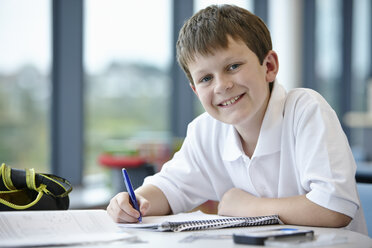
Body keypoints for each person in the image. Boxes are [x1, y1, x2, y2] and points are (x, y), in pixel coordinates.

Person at [107, 4, 367, 234]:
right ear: (195, 90)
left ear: (269, 67)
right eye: (206, 78)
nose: (222, 86)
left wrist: (245, 205)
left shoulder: (306, 110)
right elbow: (169, 188)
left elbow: (334, 208)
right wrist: (135, 201)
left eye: (233, 66)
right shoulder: (205, 131)